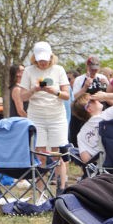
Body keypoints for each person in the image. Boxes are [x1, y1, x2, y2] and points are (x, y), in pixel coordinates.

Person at [20, 41, 70, 192]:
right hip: (37, 116)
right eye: (40, 60)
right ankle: (40, 190)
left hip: (56, 116)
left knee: (57, 154)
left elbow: (66, 95)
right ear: (35, 58)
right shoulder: (28, 71)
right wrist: (34, 89)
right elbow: (22, 97)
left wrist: (53, 91)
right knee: (40, 154)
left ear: (51, 57)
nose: (43, 63)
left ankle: (61, 189)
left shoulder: (59, 70)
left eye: (45, 59)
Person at [70, 90, 113, 165]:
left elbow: (86, 159)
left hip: (104, 169)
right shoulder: (107, 115)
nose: (97, 99)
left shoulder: (81, 135)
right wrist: (105, 96)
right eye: (92, 99)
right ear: (89, 109)